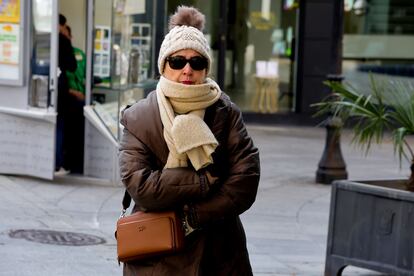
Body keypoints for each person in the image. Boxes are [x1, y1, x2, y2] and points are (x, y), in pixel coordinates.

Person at [118, 6, 260, 276]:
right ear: (164, 65)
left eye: (197, 63)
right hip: (158, 255)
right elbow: (141, 185)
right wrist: (203, 181)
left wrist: (197, 214)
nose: (187, 69)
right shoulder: (139, 117)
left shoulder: (225, 111)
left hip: (219, 253)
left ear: (205, 68)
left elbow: (247, 178)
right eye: (177, 61)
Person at [56, 14, 77, 174]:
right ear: (61, 25)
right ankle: (59, 163)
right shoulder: (63, 41)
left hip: (43, 87)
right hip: (60, 86)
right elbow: (72, 66)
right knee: (60, 125)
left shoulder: (42, 39)